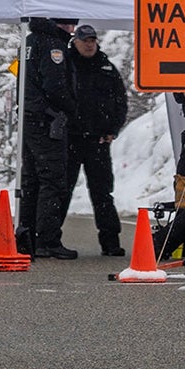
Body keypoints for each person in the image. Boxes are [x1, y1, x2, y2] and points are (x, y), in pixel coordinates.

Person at [17, 17, 81, 259]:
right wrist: (71, 108)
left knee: (32, 179)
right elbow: (55, 86)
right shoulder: (53, 45)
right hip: (47, 120)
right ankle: (47, 240)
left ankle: (27, 235)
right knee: (53, 179)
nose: (71, 30)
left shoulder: (30, 42)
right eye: (68, 24)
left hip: (30, 116)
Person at [64, 24, 129, 257]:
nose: (89, 44)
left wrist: (113, 129)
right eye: (85, 40)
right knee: (61, 191)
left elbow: (121, 103)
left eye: (92, 40)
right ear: (76, 42)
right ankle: (48, 239)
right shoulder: (65, 65)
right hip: (70, 140)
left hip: (98, 142)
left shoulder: (106, 68)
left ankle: (110, 242)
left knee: (103, 194)